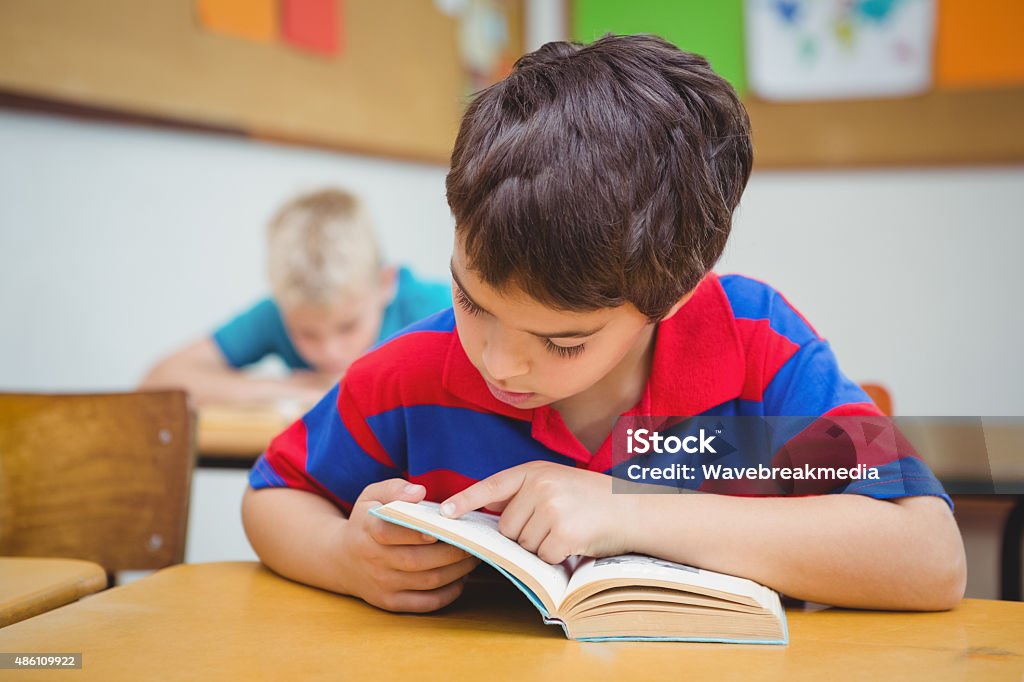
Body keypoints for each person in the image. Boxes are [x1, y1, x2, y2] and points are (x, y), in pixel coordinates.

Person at [241, 35, 966, 615]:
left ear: (676, 293)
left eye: (561, 341)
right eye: (471, 301)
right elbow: (273, 494)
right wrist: (344, 556)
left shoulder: (754, 341)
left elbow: (930, 558)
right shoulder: (416, 369)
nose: (497, 363)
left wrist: (629, 512)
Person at [141, 188, 451, 406]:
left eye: (347, 327)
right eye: (306, 333)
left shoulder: (435, 309)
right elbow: (160, 382)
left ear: (385, 284)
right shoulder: (280, 311)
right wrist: (288, 388)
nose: (329, 352)